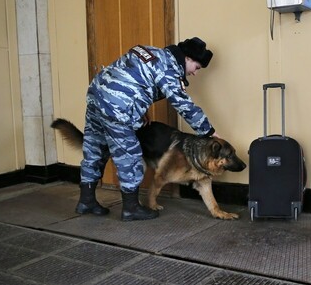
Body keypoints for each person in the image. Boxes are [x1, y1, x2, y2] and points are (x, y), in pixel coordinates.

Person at [75, 37, 219, 221]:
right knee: (130, 156)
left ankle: (86, 201)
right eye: (197, 68)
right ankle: (131, 208)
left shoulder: (152, 52)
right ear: (188, 59)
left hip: (97, 95)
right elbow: (184, 105)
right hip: (118, 107)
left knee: (95, 147)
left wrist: (140, 109)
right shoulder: (170, 70)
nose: (195, 73)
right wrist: (209, 132)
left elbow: (133, 78)